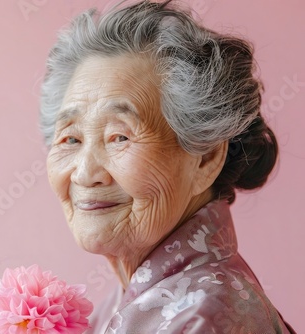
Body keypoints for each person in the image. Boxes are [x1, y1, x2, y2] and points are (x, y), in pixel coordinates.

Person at [39, 0, 296, 332]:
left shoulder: (204, 316)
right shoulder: (126, 304)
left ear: (205, 158)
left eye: (119, 137)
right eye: (70, 139)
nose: (86, 173)